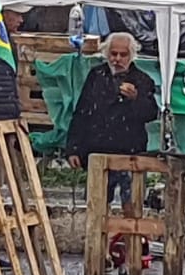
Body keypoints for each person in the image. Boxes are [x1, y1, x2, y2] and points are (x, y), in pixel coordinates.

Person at [65, 32, 158, 206]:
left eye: (123, 55)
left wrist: (136, 98)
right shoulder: (96, 76)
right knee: (96, 206)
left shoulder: (142, 80)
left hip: (130, 152)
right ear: (106, 54)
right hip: (98, 150)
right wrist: (73, 149)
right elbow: (82, 112)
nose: (117, 59)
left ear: (132, 55)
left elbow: (151, 113)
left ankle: (130, 235)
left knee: (132, 206)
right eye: (113, 54)